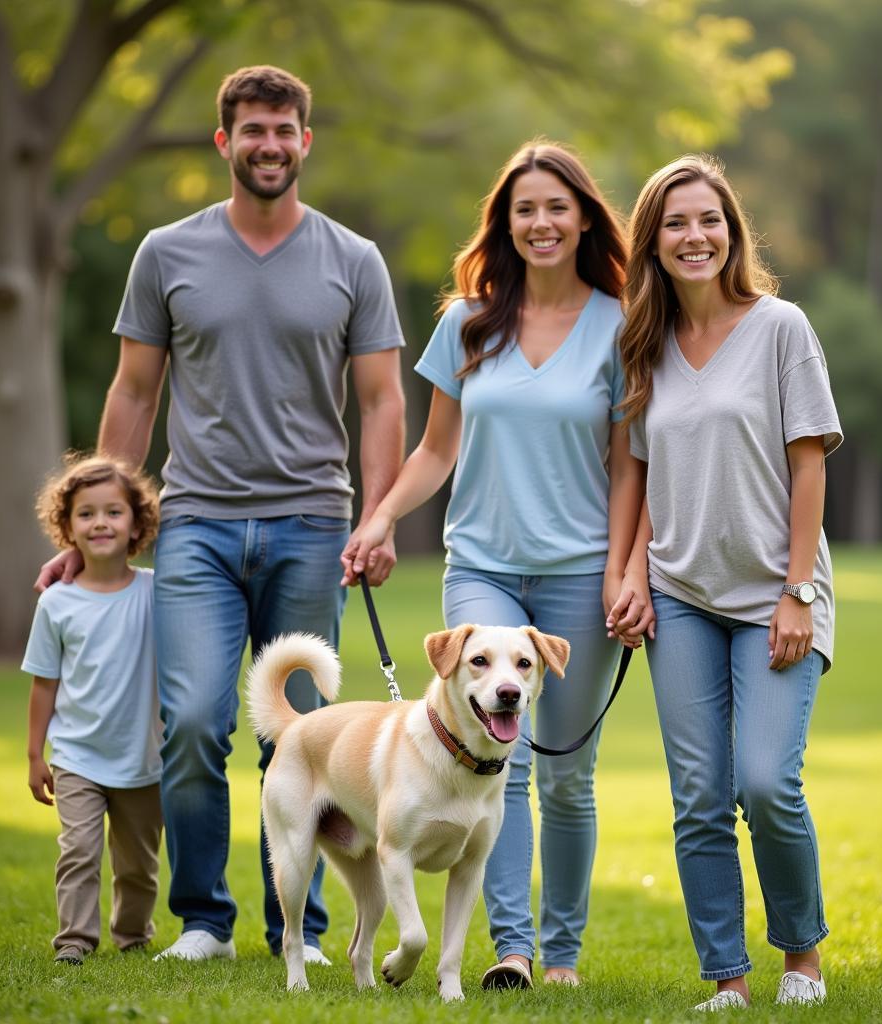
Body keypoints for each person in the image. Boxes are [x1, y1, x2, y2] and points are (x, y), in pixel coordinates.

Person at [36, 65, 406, 963]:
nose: (269, 145)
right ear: (225, 143)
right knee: (196, 722)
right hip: (196, 524)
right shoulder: (167, 252)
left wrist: (380, 517)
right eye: (253, 131)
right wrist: (94, 530)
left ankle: (301, 930)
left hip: (314, 524)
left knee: (306, 735)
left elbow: (385, 401)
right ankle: (205, 921)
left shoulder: (353, 259)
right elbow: (133, 391)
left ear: (305, 142)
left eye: (284, 131)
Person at [341, 140, 641, 988]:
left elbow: (629, 466)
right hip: (483, 566)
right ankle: (510, 949)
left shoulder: (620, 324)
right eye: (524, 209)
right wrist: (381, 516)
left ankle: (564, 958)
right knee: (490, 764)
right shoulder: (468, 321)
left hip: (582, 573)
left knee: (567, 777)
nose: (541, 223)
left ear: (584, 216)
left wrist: (625, 571)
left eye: (556, 207)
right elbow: (436, 451)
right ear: (504, 225)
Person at [607, 154, 841, 1010]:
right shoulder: (644, 346)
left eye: (708, 220)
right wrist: (628, 576)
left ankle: (801, 959)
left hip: (777, 597)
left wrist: (796, 592)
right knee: (699, 797)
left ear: (731, 231)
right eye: (675, 224)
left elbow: (808, 462)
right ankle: (727, 979)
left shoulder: (781, 326)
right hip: (681, 597)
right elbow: (641, 475)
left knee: (766, 781)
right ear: (654, 244)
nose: (694, 236)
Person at [25, 454, 163, 966]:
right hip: (77, 756)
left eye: (113, 512)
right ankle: (74, 942)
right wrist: (36, 755)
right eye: (86, 514)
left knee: (138, 866)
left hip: (144, 758)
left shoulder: (156, 591)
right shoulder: (56, 603)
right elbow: (44, 683)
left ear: (137, 523)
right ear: (67, 527)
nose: (100, 523)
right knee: (78, 851)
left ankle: (133, 935)